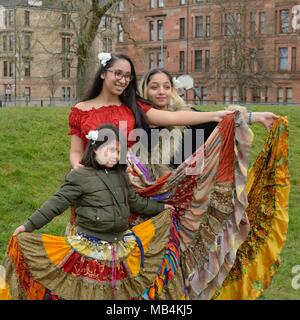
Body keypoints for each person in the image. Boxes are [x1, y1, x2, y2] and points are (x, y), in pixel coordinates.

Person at [0, 124, 185, 300]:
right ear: (95, 149)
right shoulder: (80, 176)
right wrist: (28, 226)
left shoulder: (120, 175)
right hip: (91, 247)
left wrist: (161, 209)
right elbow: (56, 203)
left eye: (119, 152)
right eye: (111, 150)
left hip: (120, 244)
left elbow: (136, 203)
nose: (115, 156)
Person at [137, 68, 279, 180]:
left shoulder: (188, 114)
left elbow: (220, 121)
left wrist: (256, 116)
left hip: (186, 193)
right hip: (152, 195)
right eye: (154, 87)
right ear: (145, 90)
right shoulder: (139, 121)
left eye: (167, 87)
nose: (162, 92)